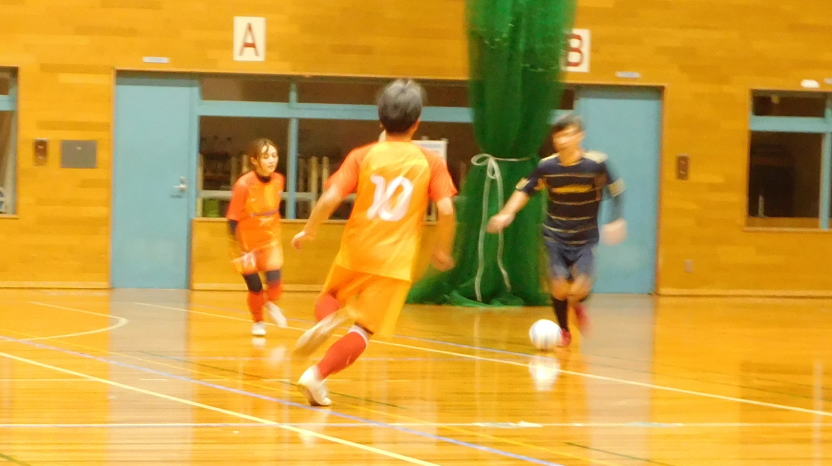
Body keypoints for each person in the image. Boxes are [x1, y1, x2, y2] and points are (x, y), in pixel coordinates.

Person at [290, 79, 457, 406]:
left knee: (330, 296)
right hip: (395, 261)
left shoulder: (363, 155)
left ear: (380, 119)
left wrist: (309, 230)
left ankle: (326, 320)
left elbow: (331, 196)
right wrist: (441, 248)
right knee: (364, 330)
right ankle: (317, 375)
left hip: (357, 248)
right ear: (417, 122)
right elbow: (447, 209)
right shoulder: (430, 161)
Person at [487, 114, 626, 347]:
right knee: (560, 287)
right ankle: (564, 330)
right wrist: (506, 213)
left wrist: (616, 219)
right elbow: (525, 190)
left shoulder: (596, 164)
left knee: (580, 288)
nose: (562, 140)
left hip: (585, 237)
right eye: (558, 136)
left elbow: (617, 190)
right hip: (555, 236)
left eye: (568, 135)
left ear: (580, 136)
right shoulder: (547, 166)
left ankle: (577, 304)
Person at [226, 138, 289, 337]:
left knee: (276, 283)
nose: (271, 160)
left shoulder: (279, 180)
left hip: (270, 240)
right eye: (266, 156)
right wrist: (238, 247)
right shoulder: (244, 185)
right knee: (255, 288)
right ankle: (259, 322)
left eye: (274, 155)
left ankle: (271, 303)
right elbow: (232, 218)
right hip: (246, 244)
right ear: (254, 160)